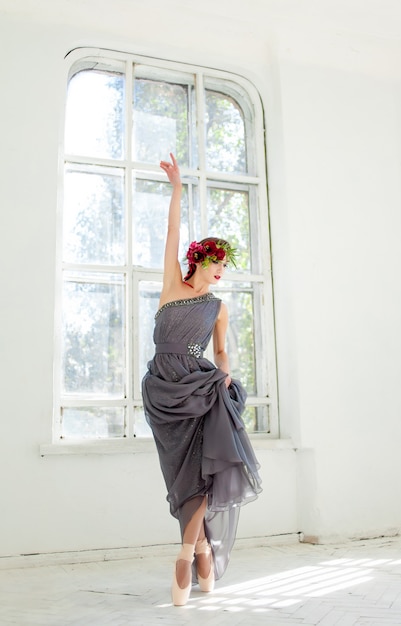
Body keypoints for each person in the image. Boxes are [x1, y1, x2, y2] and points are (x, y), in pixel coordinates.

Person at [142, 153, 262, 607]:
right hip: (163, 391)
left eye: (225, 267)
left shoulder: (219, 307)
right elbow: (171, 233)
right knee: (180, 475)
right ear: (201, 259)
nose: (221, 271)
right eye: (217, 262)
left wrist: (226, 379)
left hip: (203, 390)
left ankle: (186, 552)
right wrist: (176, 188)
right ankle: (205, 549)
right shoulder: (172, 285)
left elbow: (222, 350)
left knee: (202, 475)